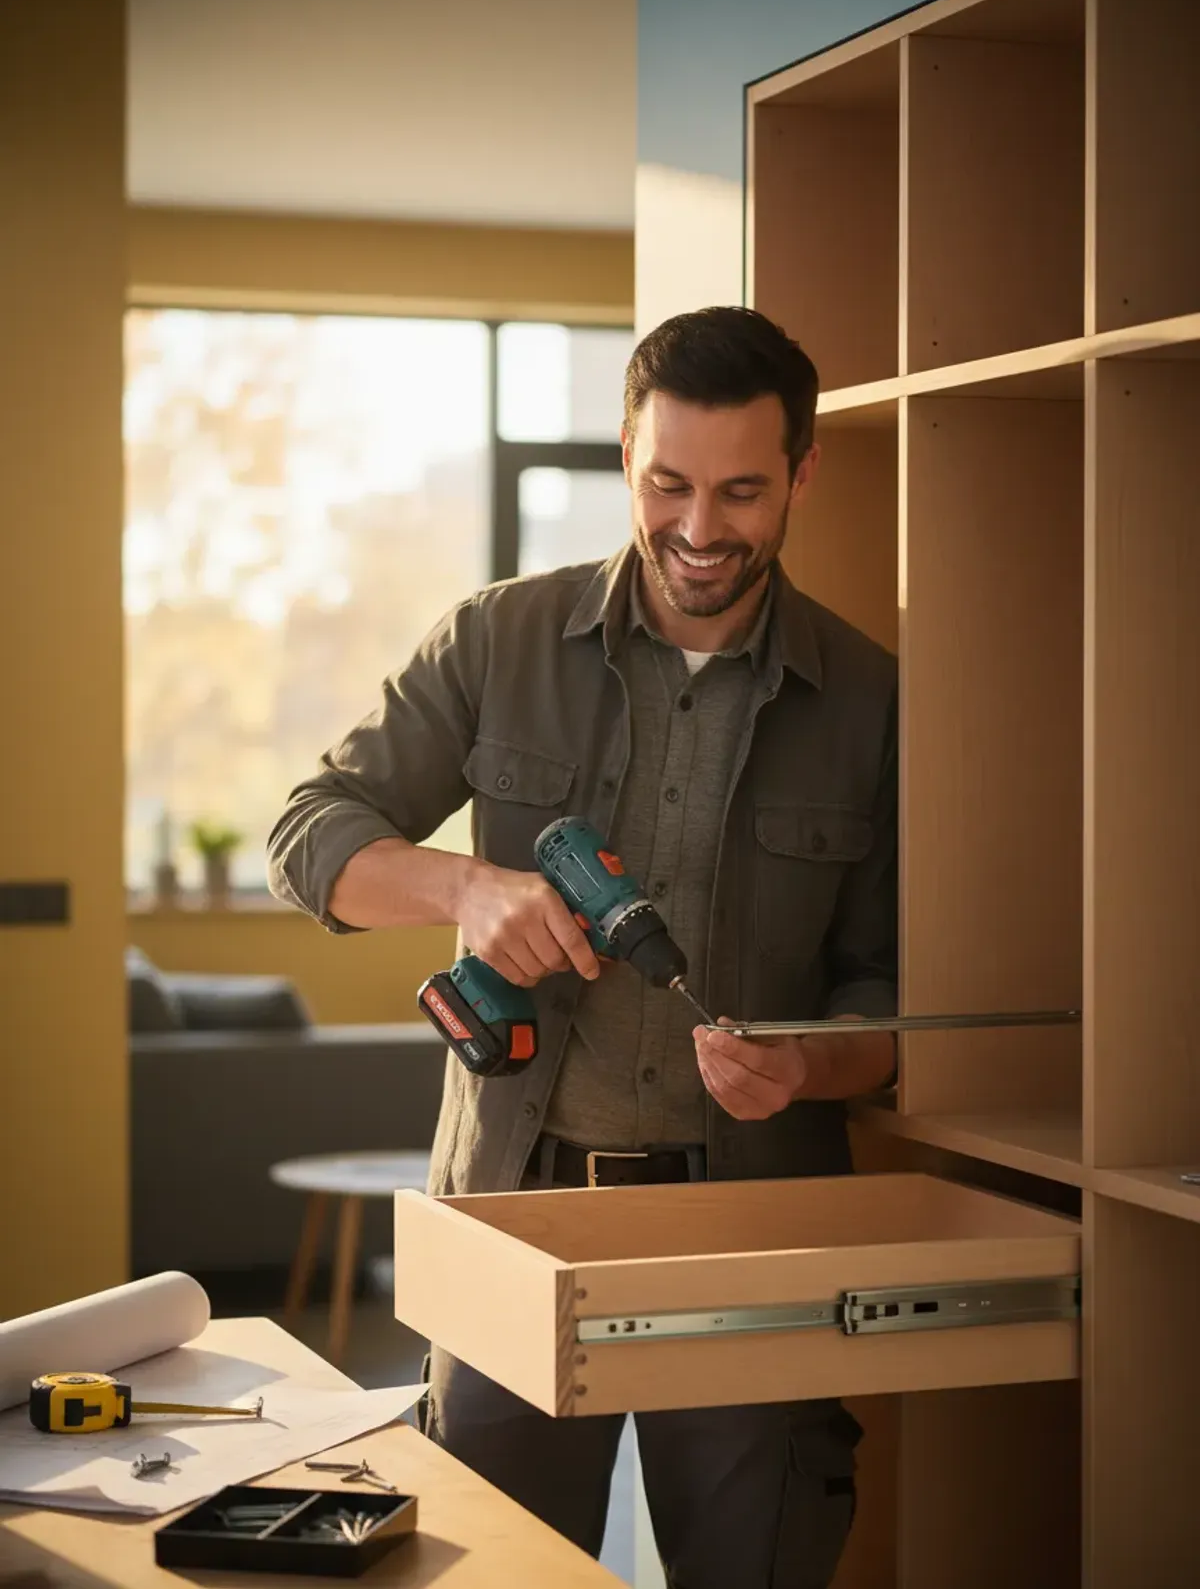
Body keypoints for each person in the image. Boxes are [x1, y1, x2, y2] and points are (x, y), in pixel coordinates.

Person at [267, 305, 898, 1589]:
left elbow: (893, 990)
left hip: (754, 1235)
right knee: (493, 1569)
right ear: (625, 457)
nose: (699, 529)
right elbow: (307, 834)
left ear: (802, 475)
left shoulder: (874, 701)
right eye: (667, 484)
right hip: (516, 1209)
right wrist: (466, 887)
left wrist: (813, 1069)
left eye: (741, 491)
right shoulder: (497, 640)